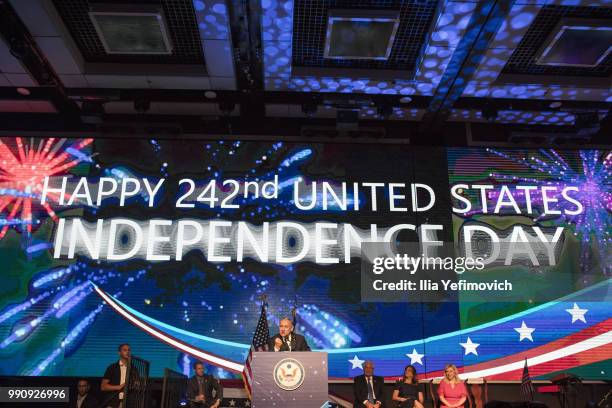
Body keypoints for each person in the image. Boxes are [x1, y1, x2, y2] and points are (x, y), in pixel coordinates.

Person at [100, 343, 138, 408]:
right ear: (119, 353)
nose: (128, 352)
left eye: (129, 350)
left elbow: (136, 386)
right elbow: (103, 387)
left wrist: (136, 384)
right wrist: (119, 387)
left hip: (128, 403)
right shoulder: (112, 367)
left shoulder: (133, 369)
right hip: (113, 402)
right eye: (125, 350)